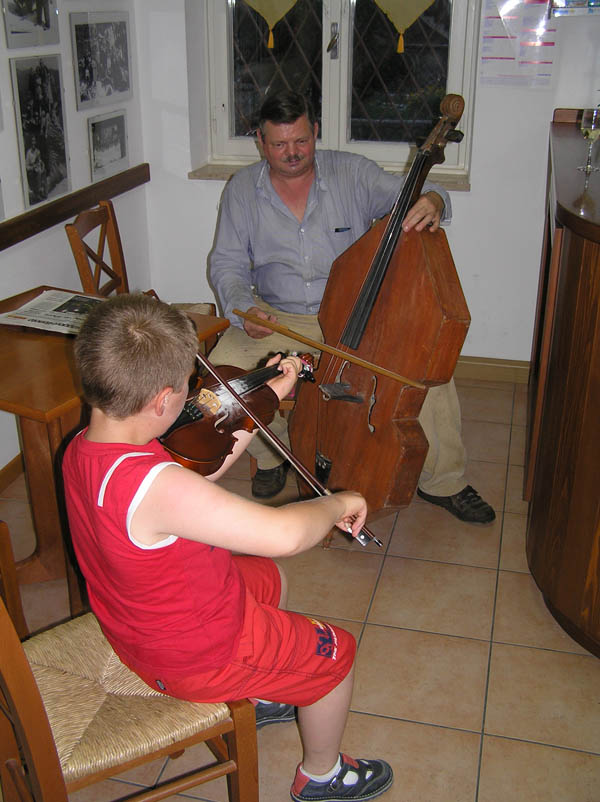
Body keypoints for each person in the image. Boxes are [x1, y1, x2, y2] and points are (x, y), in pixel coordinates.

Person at [61, 293, 394, 802]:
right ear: (162, 401)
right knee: (337, 655)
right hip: (193, 654)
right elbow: (287, 535)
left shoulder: (86, 447)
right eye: (187, 391)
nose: (194, 398)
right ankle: (321, 775)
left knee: (268, 579)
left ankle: (259, 690)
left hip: (138, 624)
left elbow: (199, 463)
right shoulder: (157, 488)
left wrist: (263, 401)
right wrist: (340, 500)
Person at [209, 89, 494, 525]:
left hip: (354, 311)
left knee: (427, 373)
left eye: (301, 141)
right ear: (261, 144)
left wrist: (434, 202)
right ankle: (273, 456)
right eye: (280, 144)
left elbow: (425, 192)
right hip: (277, 315)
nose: (292, 153)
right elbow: (227, 262)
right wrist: (242, 306)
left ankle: (445, 481)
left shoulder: (352, 173)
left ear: (315, 132)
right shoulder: (242, 190)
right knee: (225, 375)